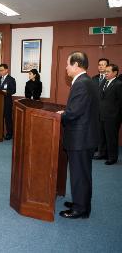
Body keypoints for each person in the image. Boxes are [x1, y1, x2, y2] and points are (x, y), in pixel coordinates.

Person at [57, 51, 99, 219]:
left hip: (80, 138)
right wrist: (66, 112)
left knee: (80, 174)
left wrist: (61, 115)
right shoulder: (86, 81)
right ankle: (81, 202)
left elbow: (74, 112)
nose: (66, 67)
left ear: (76, 64)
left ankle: (80, 209)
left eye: (68, 64)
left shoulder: (81, 83)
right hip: (85, 135)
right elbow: (80, 109)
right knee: (82, 172)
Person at [93, 64, 122, 165]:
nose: (106, 73)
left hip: (112, 117)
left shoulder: (119, 84)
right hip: (101, 115)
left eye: (108, 71)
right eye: (105, 71)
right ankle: (102, 154)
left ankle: (112, 158)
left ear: (115, 73)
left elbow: (120, 102)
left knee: (111, 138)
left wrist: (116, 116)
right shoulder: (104, 82)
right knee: (102, 136)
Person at [0, 63, 16, 140]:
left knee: (8, 118)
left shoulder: (11, 79)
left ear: (6, 70)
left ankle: (9, 134)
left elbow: (13, 91)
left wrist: (6, 92)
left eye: (2, 70)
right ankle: (0, 133)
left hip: (7, 102)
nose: (0, 72)